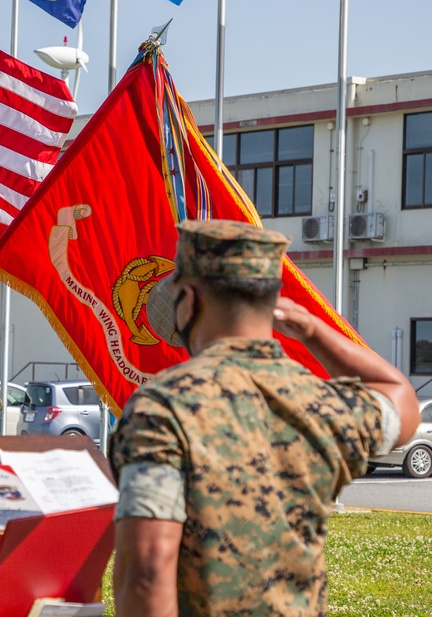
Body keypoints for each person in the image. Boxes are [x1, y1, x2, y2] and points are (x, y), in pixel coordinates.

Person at [110, 220, 420, 616]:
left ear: (187, 299)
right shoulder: (321, 403)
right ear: (274, 302)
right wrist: (313, 330)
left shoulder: (162, 408)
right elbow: (399, 399)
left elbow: (147, 572)